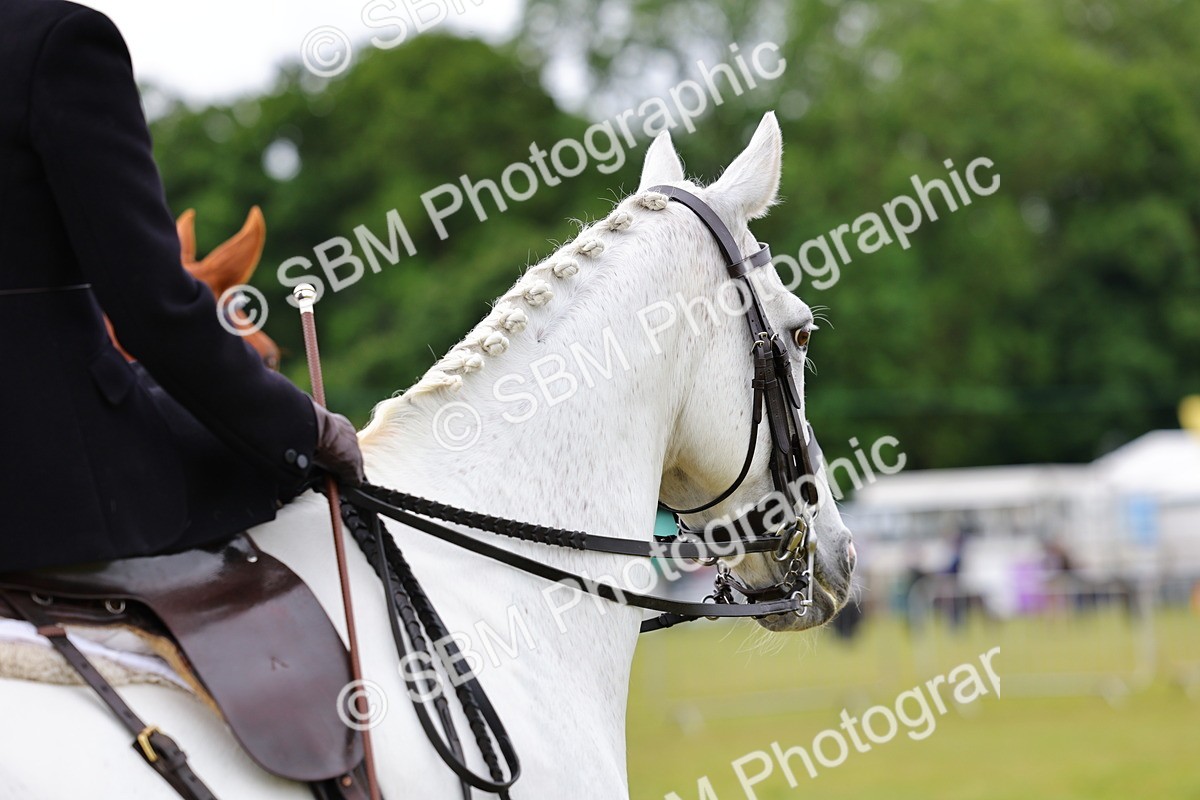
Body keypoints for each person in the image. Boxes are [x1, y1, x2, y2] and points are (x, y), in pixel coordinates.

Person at [0, 0, 363, 573]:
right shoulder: (61, 40)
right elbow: (151, 305)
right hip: (44, 485)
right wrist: (304, 427)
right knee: (255, 470)